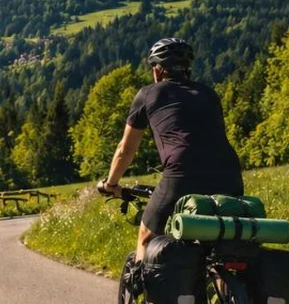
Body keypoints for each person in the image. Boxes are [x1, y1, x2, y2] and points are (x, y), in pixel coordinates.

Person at [98, 38, 243, 262]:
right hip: (230, 173)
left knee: (146, 237)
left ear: (157, 70)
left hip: (181, 173)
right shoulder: (209, 93)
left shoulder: (148, 94)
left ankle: (146, 282)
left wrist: (110, 184)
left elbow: (125, 150)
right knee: (224, 240)